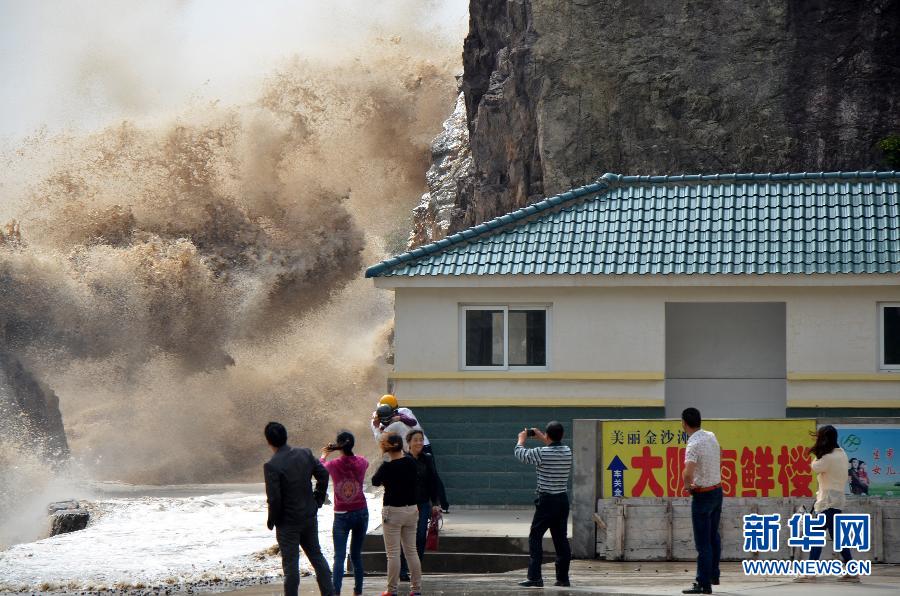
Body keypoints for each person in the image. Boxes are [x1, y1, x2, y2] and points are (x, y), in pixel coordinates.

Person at [263, 422, 335, 596]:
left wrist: (272, 521)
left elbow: (274, 498)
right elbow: (323, 474)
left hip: (287, 523)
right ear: (286, 435)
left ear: (268, 441)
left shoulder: (272, 465)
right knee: (317, 557)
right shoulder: (305, 453)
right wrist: (317, 499)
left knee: (290, 567)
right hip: (309, 516)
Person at [794, 425, 859, 583]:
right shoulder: (842, 453)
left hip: (826, 502)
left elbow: (815, 467)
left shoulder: (827, 458)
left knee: (816, 536)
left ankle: (810, 572)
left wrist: (818, 453)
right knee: (838, 538)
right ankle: (852, 571)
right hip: (837, 501)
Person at [514, 421, 572, 588]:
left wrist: (521, 439)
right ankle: (562, 579)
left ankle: (535, 577)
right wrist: (542, 438)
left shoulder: (541, 453)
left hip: (547, 501)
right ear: (562, 435)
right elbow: (553, 446)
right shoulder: (567, 451)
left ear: (548, 435)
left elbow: (520, 454)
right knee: (561, 539)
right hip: (562, 500)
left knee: (535, 537)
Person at [379, 394, 450, 512]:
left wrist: (400, 418)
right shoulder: (392, 417)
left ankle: (441, 504)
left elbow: (413, 423)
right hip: (411, 447)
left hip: (421, 445)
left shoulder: (402, 412)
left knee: (432, 475)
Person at [371, 434, 422, 596]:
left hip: (393, 511)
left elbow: (374, 481)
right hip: (412, 509)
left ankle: (392, 590)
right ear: (401, 446)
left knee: (393, 554)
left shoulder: (387, 467)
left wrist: (382, 463)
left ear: (386, 447)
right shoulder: (412, 462)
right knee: (411, 552)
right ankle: (416, 590)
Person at [320, 431, 369, 596]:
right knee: (356, 555)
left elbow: (320, 468)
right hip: (361, 511)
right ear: (352, 444)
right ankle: (358, 591)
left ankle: (336, 592)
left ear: (338, 445)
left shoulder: (333, 464)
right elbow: (365, 462)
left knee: (339, 556)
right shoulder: (362, 462)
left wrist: (324, 454)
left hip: (341, 515)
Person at [681, 407, 722, 595]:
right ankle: (714, 574)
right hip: (717, 491)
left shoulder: (693, 444)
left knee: (703, 543)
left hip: (703, 495)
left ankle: (703, 583)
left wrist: (688, 486)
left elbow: (688, 472)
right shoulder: (711, 436)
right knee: (713, 536)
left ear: (684, 423)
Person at [399, 429, 440, 582]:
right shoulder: (402, 458)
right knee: (405, 537)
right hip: (406, 504)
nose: (419, 443)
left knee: (420, 536)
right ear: (408, 442)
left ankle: (415, 569)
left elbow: (433, 481)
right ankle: (402, 570)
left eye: (421, 440)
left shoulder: (427, 458)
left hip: (423, 504)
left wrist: (435, 503)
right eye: (415, 440)